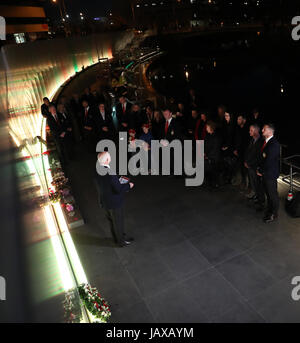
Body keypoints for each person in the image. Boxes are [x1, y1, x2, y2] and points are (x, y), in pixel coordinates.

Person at [94, 152, 134, 247]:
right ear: (107, 160)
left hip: (105, 200)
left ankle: (118, 238)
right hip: (114, 202)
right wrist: (128, 185)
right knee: (118, 222)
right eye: (109, 157)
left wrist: (117, 181)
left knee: (112, 221)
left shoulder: (97, 169)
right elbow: (118, 189)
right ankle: (121, 241)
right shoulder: (110, 172)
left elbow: (105, 184)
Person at [256, 123, 281, 223]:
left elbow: (269, 161)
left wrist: (261, 171)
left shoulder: (274, 144)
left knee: (272, 195)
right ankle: (269, 210)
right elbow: (263, 158)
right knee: (268, 194)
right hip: (265, 173)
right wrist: (259, 169)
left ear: (270, 131)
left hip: (270, 174)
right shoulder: (266, 142)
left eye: (264, 129)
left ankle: (273, 214)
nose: (262, 130)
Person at [244, 124, 264, 201]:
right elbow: (248, 152)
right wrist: (246, 161)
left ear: (256, 131)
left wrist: (250, 163)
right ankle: (254, 194)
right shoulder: (252, 140)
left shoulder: (261, 141)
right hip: (249, 165)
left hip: (255, 166)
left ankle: (259, 197)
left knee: (257, 182)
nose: (249, 132)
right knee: (252, 181)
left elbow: (258, 156)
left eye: (251, 130)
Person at [204, 121, 221, 188]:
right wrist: (204, 153)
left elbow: (215, 149)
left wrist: (208, 156)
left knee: (213, 171)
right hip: (209, 156)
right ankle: (210, 183)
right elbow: (206, 145)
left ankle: (215, 183)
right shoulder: (208, 135)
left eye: (207, 127)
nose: (206, 128)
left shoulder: (216, 137)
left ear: (211, 128)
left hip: (214, 157)